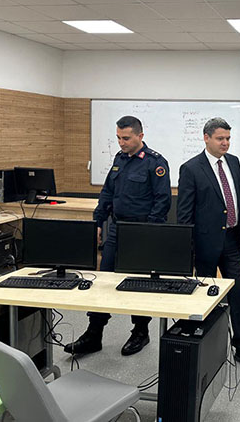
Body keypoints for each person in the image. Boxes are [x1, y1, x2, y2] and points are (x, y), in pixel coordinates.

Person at [65, 116, 171, 357]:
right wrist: (98, 222)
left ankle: (140, 332)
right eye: (118, 138)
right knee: (104, 280)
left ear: (140, 136)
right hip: (117, 228)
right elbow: (107, 193)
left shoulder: (155, 163)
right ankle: (94, 334)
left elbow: (162, 201)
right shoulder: (118, 160)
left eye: (126, 138)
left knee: (139, 284)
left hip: (142, 231)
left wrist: (150, 233)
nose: (121, 143)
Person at [177, 117, 240, 371]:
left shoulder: (234, 163)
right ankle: (202, 342)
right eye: (220, 139)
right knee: (204, 295)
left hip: (232, 239)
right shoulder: (191, 168)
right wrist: (187, 247)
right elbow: (184, 213)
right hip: (204, 243)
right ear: (206, 138)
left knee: (237, 292)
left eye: (228, 138)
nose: (225, 143)